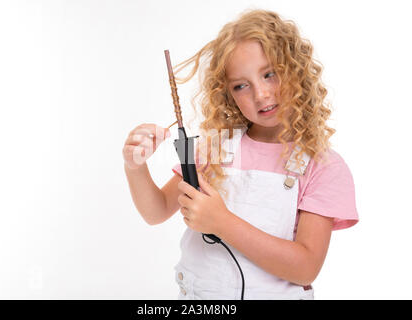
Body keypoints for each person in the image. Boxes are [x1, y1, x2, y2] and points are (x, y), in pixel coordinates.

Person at [123, 8, 359, 300]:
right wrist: (135, 167)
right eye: (241, 86)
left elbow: (306, 267)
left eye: (269, 74)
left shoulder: (322, 166)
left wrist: (222, 222)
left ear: (295, 70)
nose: (260, 94)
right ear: (228, 95)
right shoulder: (214, 148)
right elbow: (156, 211)